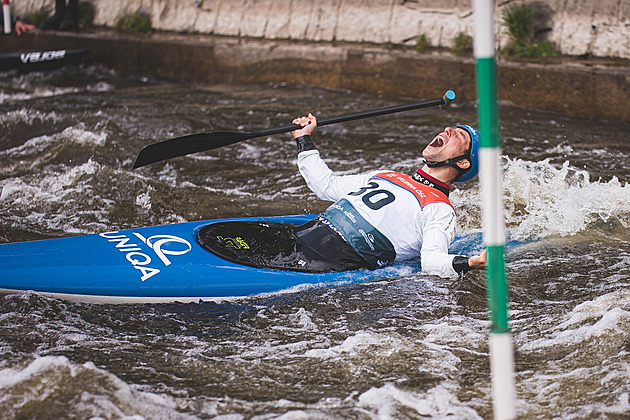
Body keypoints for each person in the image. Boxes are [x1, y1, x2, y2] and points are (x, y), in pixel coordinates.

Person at [286, 113, 487, 277]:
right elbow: (325, 185)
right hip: (304, 233)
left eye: (459, 136)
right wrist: (304, 138)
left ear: (462, 163)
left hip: (324, 258)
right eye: (450, 129)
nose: (448, 130)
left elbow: (431, 261)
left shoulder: (440, 209)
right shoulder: (387, 176)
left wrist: (469, 263)